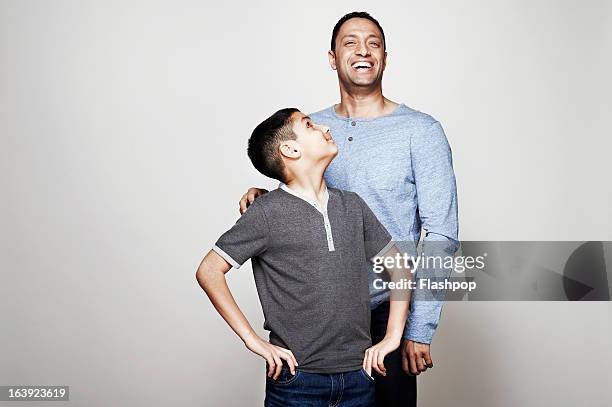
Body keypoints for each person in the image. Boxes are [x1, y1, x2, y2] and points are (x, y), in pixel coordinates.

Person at [239, 11, 459, 407]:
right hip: (319, 321)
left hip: (386, 313)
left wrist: (419, 328)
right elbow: (300, 194)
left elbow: (441, 235)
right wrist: (264, 196)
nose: (363, 51)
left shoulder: (420, 131)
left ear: (385, 58)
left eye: (373, 43)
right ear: (332, 57)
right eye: (351, 42)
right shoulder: (314, 129)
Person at [196, 107, 411, 406]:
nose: (324, 128)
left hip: (359, 377)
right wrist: (252, 340)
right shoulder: (266, 212)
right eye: (309, 125)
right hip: (297, 382)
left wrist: (391, 338)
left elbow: (400, 267)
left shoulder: (352, 205)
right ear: (290, 149)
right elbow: (208, 271)